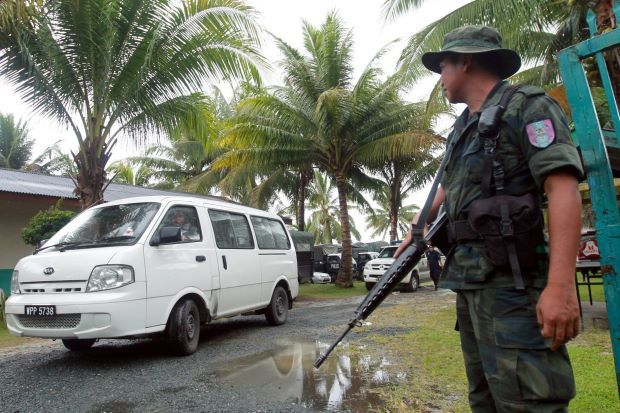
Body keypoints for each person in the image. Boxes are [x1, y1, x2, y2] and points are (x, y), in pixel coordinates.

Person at [395, 25, 583, 411]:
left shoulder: (528, 106)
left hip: (514, 284)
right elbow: (448, 186)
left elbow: (561, 188)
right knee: (484, 399)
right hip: (473, 283)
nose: (440, 78)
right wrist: (417, 228)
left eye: (443, 66)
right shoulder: (463, 128)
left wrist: (561, 287)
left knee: (529, 402)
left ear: (465, 61)